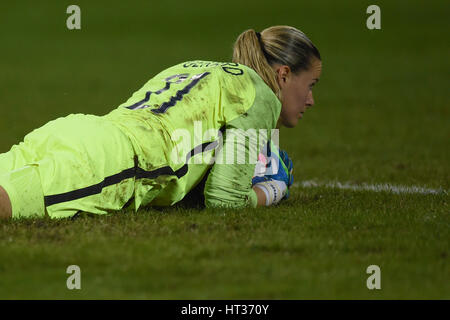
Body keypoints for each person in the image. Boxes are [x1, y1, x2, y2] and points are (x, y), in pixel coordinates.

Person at [0, 25, 322, 219]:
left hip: (76, 130)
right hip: (113, 161)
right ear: (283, 75)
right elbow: (225, 201)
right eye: (310, 86)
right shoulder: (262, 97)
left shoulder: (196, 66)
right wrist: (272, 189)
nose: (310, 100)